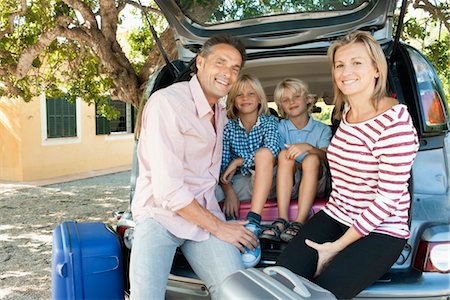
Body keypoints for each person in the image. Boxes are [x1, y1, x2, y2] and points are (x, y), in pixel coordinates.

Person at [276, 31, 419, 299]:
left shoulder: (394, 123)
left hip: (381, 229)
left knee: (323, 294)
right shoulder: (345, 114)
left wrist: (336, 247)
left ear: (377, 70)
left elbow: (388, 200)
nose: (346, 71)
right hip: (336, 214)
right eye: (340, 65)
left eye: (357, 63)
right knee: (281, 280)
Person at [129, 35, 258, 300]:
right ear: (200, 62)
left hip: (203, 213)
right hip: (160, 216)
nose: (228, 73)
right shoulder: (168, 104)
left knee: (238, 292)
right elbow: (168, 191)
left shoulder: (220, 111)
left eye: (235, 68)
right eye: (220, 62)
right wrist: (221, 228)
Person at [217, 74, 280, 267]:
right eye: (240, 95)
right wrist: (228, 193)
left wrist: (239, 162)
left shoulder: (270, 122)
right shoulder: (228, 128)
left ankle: (253, 222)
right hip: (242, 182)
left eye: (251, 93)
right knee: (214, 189)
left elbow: (272, 151)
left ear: (260, 98)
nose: (245, 98)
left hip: (269, 179)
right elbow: (222, 166)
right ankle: (225, 234)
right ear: (233, 101)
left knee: (264, 154)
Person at [259, 78, 332, 242]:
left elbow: (327, 158)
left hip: (317, 181)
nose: (291, 102)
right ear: (281, 107)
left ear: (308, 99)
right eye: (285, 100)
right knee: (284, 155)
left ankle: (299, 221)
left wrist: (309, 148)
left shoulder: (322, 129)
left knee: (311, 159)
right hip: (288, 181)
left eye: (296, 97)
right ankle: (282, 219)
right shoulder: (279, 127)